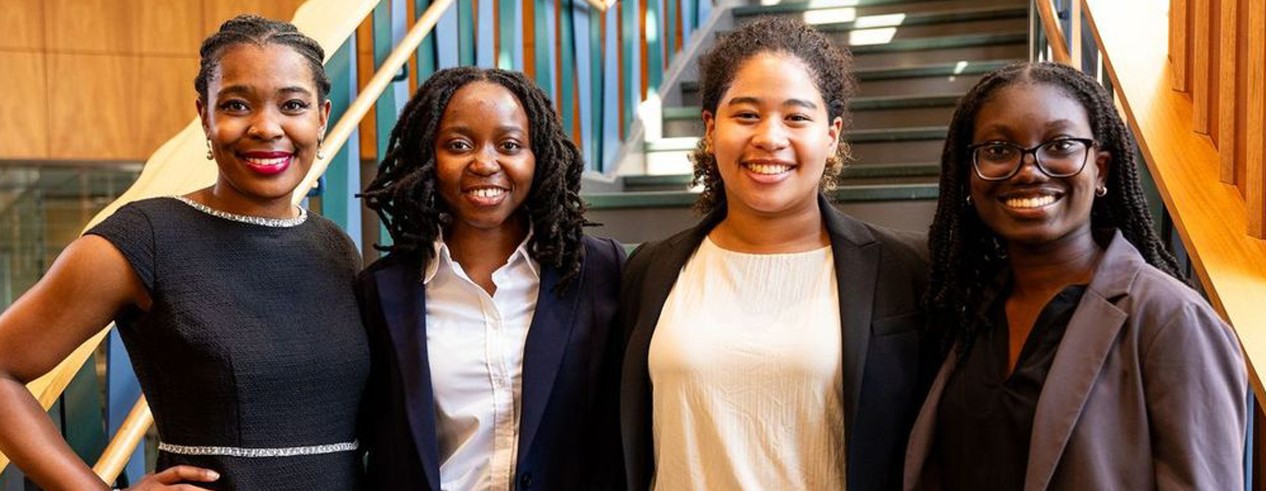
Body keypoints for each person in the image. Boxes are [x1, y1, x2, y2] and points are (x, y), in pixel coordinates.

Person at [0, 14, 369, 491]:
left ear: (321, 118)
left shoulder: (334, 246)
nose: (266, 127)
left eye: (292, 105)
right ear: (204, 117)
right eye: (236, 105)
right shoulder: (146, 237)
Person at [616, 17, 934, 491]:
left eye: (797, 117)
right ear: (710, 128)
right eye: (745, 114)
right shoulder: (649, 270)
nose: (769, 137)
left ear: (831, 135)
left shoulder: (906, 270)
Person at [903, 61, 1247, 490]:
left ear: (1099, 169)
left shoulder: (1169, 318)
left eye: (1060, 144)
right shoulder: (966, 311)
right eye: (997, 150)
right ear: (969, 176)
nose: (1028, 170)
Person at [357, 66, 626, 490]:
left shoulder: (602, 272)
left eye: (510, 145)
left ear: (538, 157)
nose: (485, 162)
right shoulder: (382, 293)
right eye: (459, 145)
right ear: (428, 157)